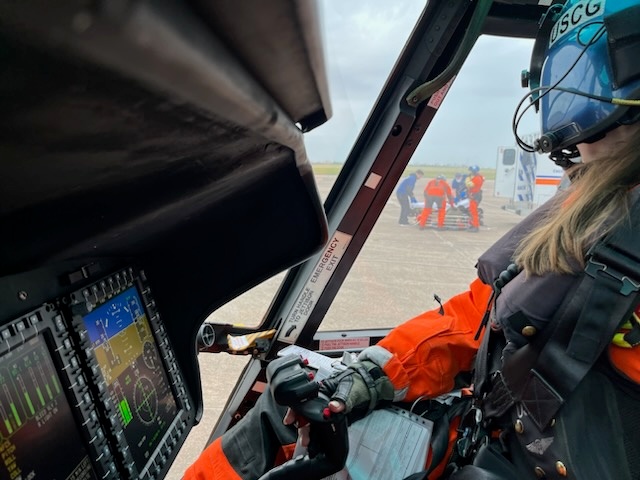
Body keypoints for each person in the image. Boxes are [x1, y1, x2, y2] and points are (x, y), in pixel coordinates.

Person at [185, 1, 640, 478]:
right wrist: (371, 374)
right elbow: (476, 317)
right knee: (294, 404)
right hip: (481, 436)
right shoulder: (594, 199)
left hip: (509, 458)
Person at [465, 166, 483, 232]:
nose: (471, 172)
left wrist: (467, 179)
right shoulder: (478, 177)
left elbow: (469, 185)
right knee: (472, 211)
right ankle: (473, 225)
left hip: (475, 196)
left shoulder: (477, 178)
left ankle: (476, 226)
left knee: (474, 212)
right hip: (474, 195)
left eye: (472, 171)